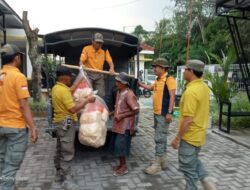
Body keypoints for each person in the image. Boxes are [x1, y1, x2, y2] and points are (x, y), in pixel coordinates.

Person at [171, 60, 217, 190]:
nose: (184, 72)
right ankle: (205, 179)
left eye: (185, 69)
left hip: (189, 136)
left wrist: (177, 138)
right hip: (199, 135)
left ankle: (197, 183)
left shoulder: (191, 92)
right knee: (193, 160)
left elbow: (188, 119)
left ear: (191, 71)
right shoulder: (204, 87)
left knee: (188, 170)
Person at [0, 44, 38, 190]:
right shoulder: (18, 77)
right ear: (16, 58)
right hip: (15, 128)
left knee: (2, 161)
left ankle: (7, 185)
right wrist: (33, 127)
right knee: (11, 166)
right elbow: (23, 104)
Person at [52, 66, 95, 190]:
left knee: (60, 149)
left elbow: (69, 92)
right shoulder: (63, 91)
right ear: (64, 77)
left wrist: (79, 81)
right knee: (67, 152)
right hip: (66, 124)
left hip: (59, 123)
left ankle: (59, 174)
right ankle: (66, 180)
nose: (71, 78)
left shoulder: (57, 88)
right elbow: (73, 109)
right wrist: (87, 100)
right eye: (70, 77)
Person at [138, 58, 176, 175]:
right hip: (156, 113)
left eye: (156, 66)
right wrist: (140, 84)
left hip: (164, 114)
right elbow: (151, 88)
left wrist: (170, 112)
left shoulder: (169, 80)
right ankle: (162, 161)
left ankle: (157, 164)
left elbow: (172, 97)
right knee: (161, 137)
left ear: (163, 68)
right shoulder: (158, 80)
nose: (154, 68)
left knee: (159, 138)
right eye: (153, 66)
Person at [110, 72, 139, 176]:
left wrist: (121, 116)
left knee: (121, 147)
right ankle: (121, 165)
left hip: (125, 126)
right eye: (116, 81)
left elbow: (136, 110)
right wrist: (111, 113)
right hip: (118, 125)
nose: (116, 83)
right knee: (118, 147)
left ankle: (124, 167)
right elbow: (118, 107)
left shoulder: (129, 94)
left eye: (118, 81)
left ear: (124, 83)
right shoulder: (119, 92)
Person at [79, 32, 115, 98]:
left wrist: (112, 68)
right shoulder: (86, 49)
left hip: (99, 74)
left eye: (100, 43)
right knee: (87, 93)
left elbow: (110, 61)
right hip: (88, 74)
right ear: (92, 41)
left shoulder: (105, 50)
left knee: (101, 94)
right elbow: (81, 61)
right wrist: (82, 65)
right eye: (97, 42)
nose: (99, 44)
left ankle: (99, 107)